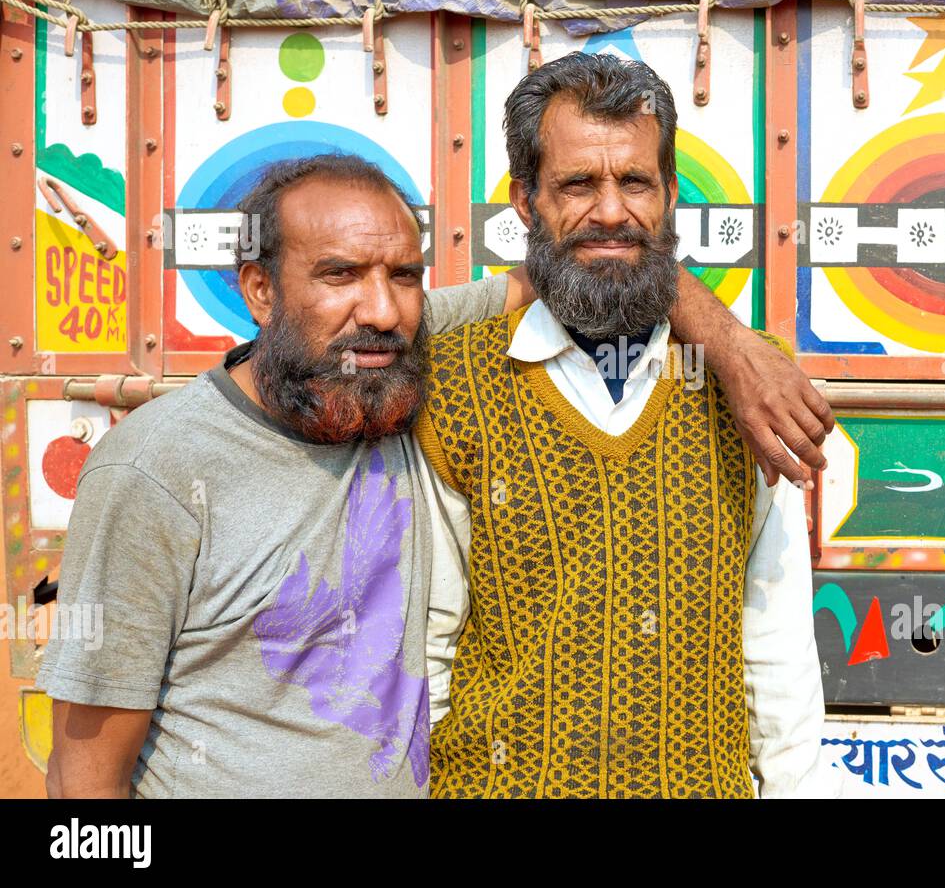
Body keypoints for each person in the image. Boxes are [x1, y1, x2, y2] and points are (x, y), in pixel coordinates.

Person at [38, 149, 834, 797]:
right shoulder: (156, 470)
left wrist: (730, 346)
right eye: (339, 274)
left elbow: (597, 261)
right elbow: (83, 782)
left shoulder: (394, 362)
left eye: (406, 276)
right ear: (258, 289)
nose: (381, 307)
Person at [417, 52, 830, 798]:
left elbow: (777, 649)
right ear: (525, 201)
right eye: (578, 184)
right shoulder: (456, 381)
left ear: (669, 195)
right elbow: (424, 652)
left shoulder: (750, 389)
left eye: (634, 182)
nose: (611, 211)